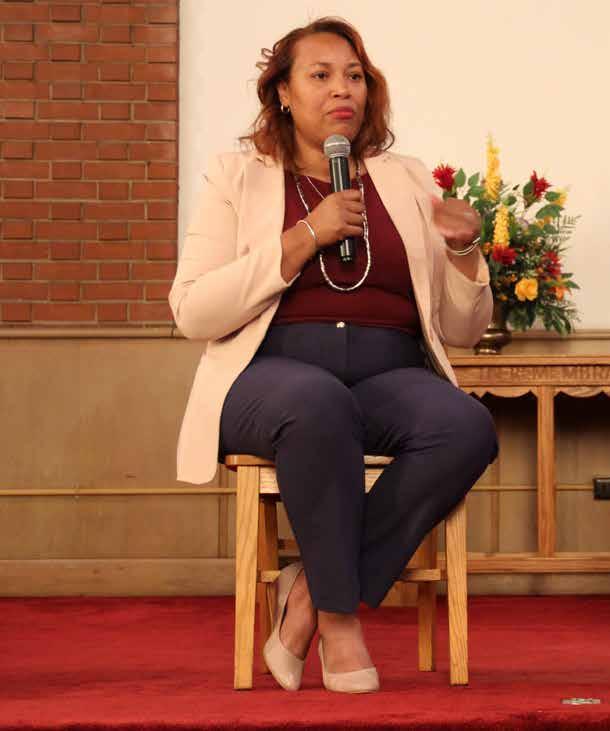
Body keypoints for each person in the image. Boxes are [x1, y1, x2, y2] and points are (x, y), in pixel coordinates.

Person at [170, 17, 497, 693]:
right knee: (317, 403)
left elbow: (465, 329)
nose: (341, 89)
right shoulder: (238, 177)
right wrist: (303, 238)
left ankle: (310, 593)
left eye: (353, 75)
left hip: (389, 369)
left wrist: (465, 252)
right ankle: (340, 621)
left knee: (465, 426)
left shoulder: (405, 180)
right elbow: (194, 309)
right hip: (271, 375)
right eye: (319, 75)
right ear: (283, 93)